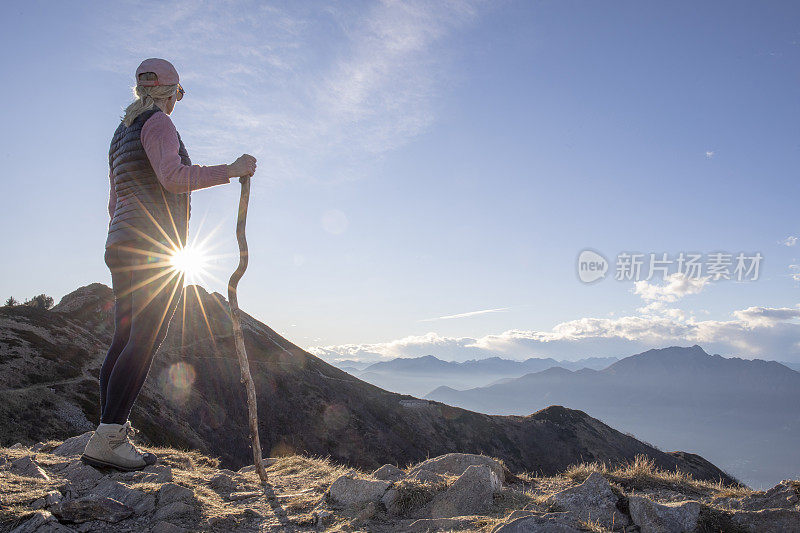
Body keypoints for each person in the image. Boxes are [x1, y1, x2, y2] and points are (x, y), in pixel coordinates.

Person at [81, 58, 257, 471]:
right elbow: (172, 177)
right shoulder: (158, 124)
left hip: (121, 243)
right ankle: (109, 436)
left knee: (125, 338)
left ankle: (107, 433)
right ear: (171, 91)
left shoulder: (121, 131)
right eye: (179, 93)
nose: (178, 101)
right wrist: (231, 171)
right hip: (154, 247)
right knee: (144, 340)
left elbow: (114, 201)